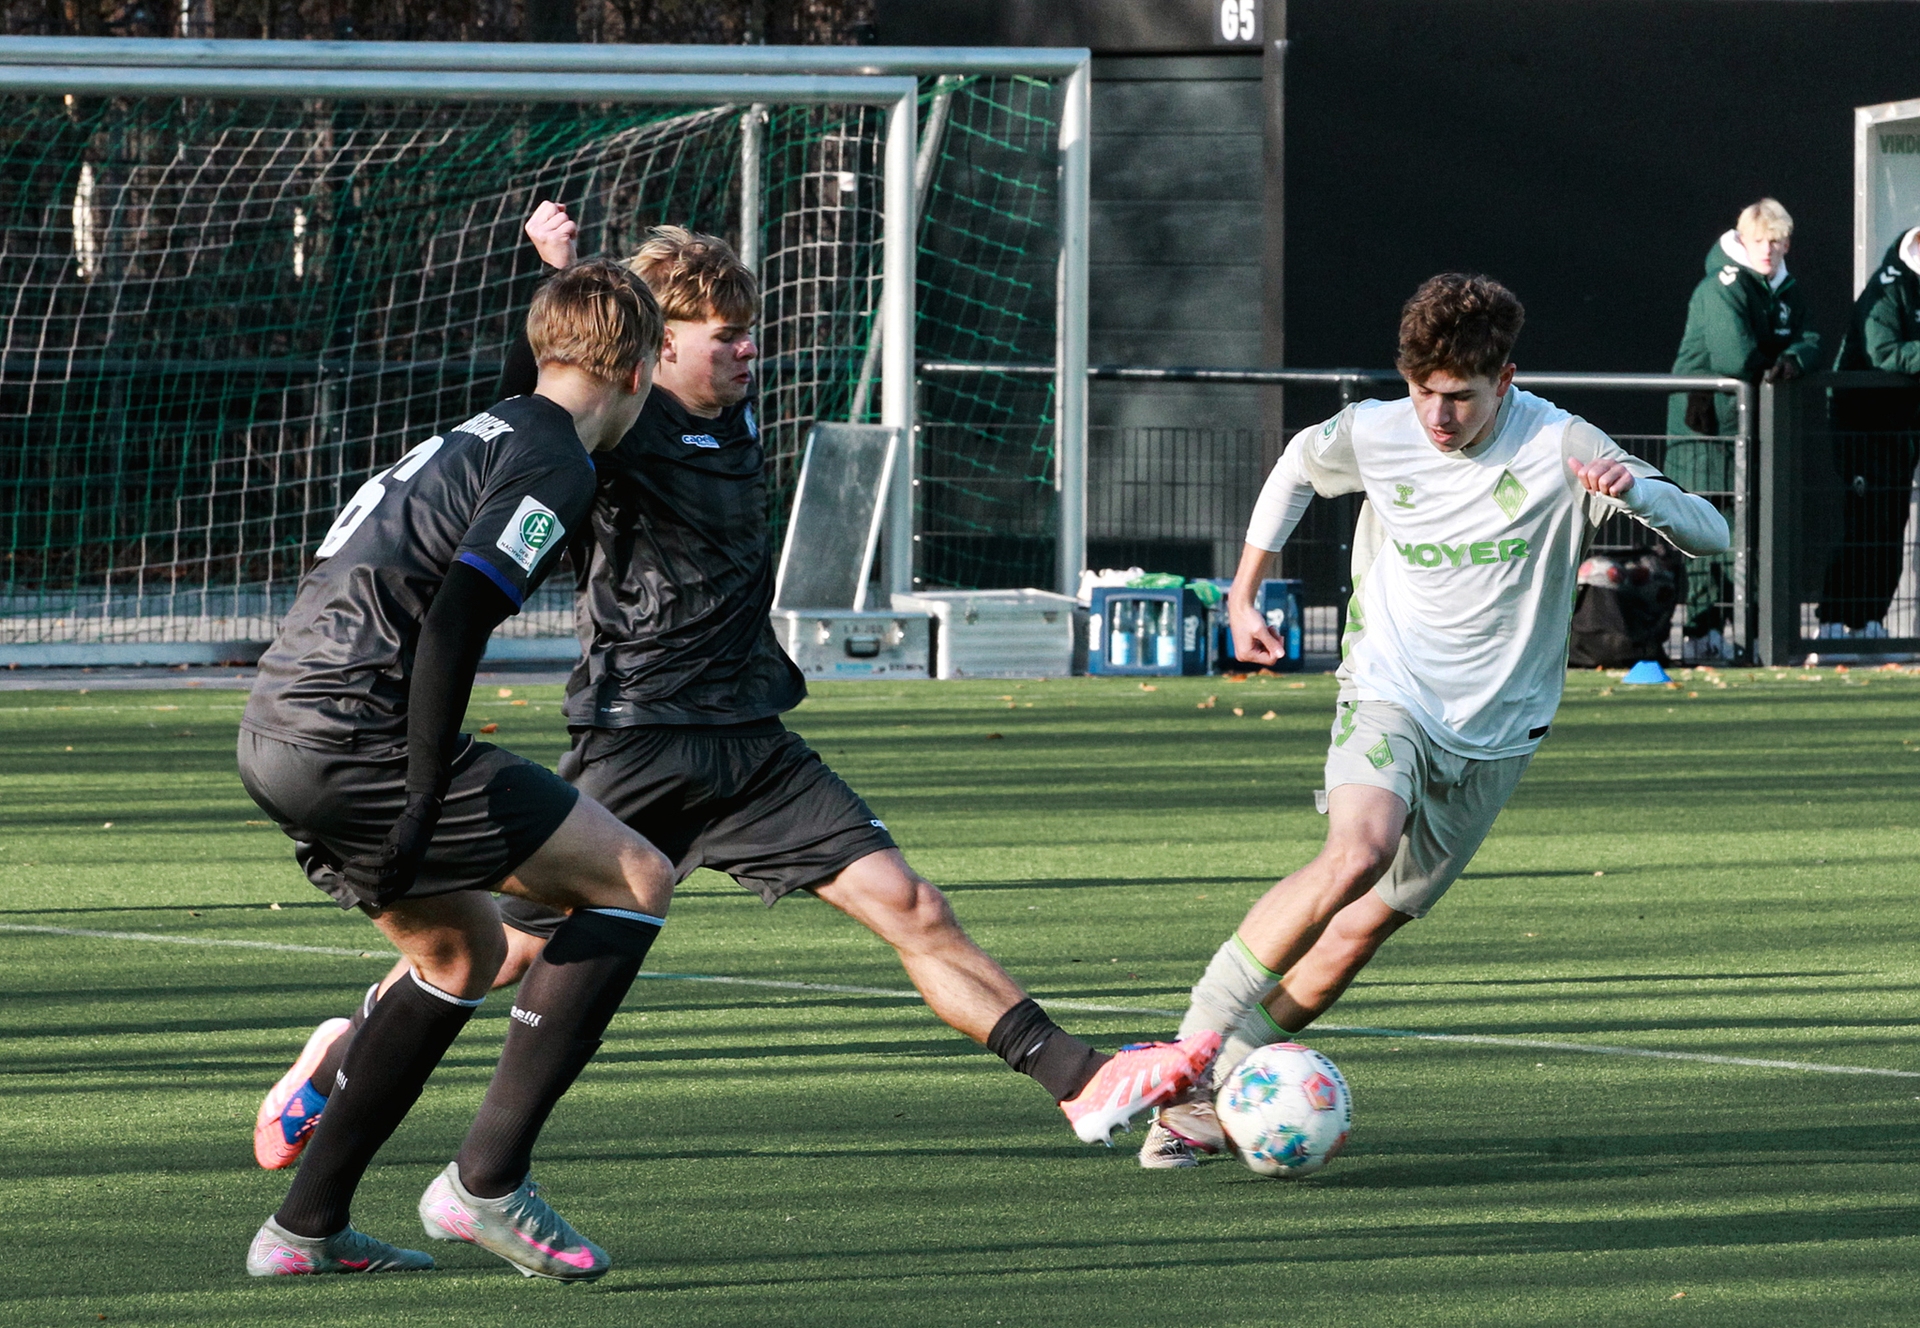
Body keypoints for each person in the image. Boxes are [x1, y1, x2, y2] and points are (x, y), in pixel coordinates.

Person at [252, 207, 1215, 1181]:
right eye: (727, 334)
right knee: (492, 954)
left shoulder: (738, 411)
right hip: (639, 738)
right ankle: (344, 1064)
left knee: (912, 901)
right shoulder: (616, 433)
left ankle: (1080, 1077)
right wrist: (561, 274)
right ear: (656, 351)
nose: (749, 349)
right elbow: (545, 394)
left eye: (749, 328)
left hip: (750, 739)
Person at [1138, 274, 1731, 1169]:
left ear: (1506, 379)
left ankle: (1225, 1076)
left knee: (1362, 928)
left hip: (1500, 731)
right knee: (1357, 851)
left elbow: (1713, 533)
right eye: (1422, 392)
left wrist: (1638, 495)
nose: (1437, 416)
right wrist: (1243, 591)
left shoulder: (1563, 443)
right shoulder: (1379, 430)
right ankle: (1187, 1055)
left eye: (1458, 397)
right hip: (1392, 687)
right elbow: (1299, 463)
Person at [240, 261, 676, 1281]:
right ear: (641, 368)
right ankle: (487, 1183)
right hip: (361, 736)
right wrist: (427, 789)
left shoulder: (484, 428)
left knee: (459, 956)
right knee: (635, 876)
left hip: (277, 729)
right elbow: (455, 620)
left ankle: (300, 1229)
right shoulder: (557, 462)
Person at [1665, 198, 1820, 661]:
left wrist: (1794, 360)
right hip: (1703, 428)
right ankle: (1703, 634)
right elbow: (1735, 355)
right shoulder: (1722, 286)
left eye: (1776, 241)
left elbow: (1810, 338)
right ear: (1744, 241)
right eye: (1760, 241)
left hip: (1745, 428)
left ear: (1786, 242)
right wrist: (1777, 360)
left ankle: (1748, 635)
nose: (1768, 249)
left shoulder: (1786, 288)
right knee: (1705, 528)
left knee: (1744, 531)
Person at [1816, 223, 1920, 637]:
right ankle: (1834, 622)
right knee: (1863, 525)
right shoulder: (1887, 288)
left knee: (1892, 526)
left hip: (1902, 431)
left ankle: (1872, 620)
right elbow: (1884, 352)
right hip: (1862, 426)